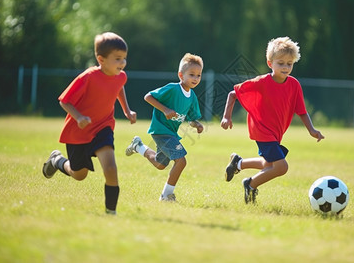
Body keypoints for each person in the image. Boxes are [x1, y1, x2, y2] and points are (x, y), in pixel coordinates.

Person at [220, 36, 324, 204]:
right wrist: (226, 116)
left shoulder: (294, 85)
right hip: (261, 130)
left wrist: (312, 130)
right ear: (270, 63)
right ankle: (250, 184)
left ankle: (238, 163)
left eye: (289, 63)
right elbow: (233, 94)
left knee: (268, 164)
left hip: (276, 132)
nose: (285, 67)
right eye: (280, 63)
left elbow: (302, 111)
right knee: (281, 167)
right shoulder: (262, 82)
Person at [42, 32, 137, 215]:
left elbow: (119, 87)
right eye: (117, 59)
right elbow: (64, 100)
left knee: (110, 168)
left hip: (103, 127)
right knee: (79, 174)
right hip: (78, 132)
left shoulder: (121, 76)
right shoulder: (88, 77)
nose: (122, 63)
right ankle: (57, 160)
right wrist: (79, 118)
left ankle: (111, 213)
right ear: (101, 59)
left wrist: (127, 110)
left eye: (124, 58)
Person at [125, 53, 204, 202]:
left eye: (198, 75)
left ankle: (139, 146)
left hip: (171, 134)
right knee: (181, 161)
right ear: (181, 75)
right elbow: (148, 97)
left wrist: (197, 125)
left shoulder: (192, 96)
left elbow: (190, 119)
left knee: (160, 164)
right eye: (191, 74)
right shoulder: (173, 89)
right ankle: (166, 195)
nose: (195, 78)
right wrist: (165, 110)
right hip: (161, 131)